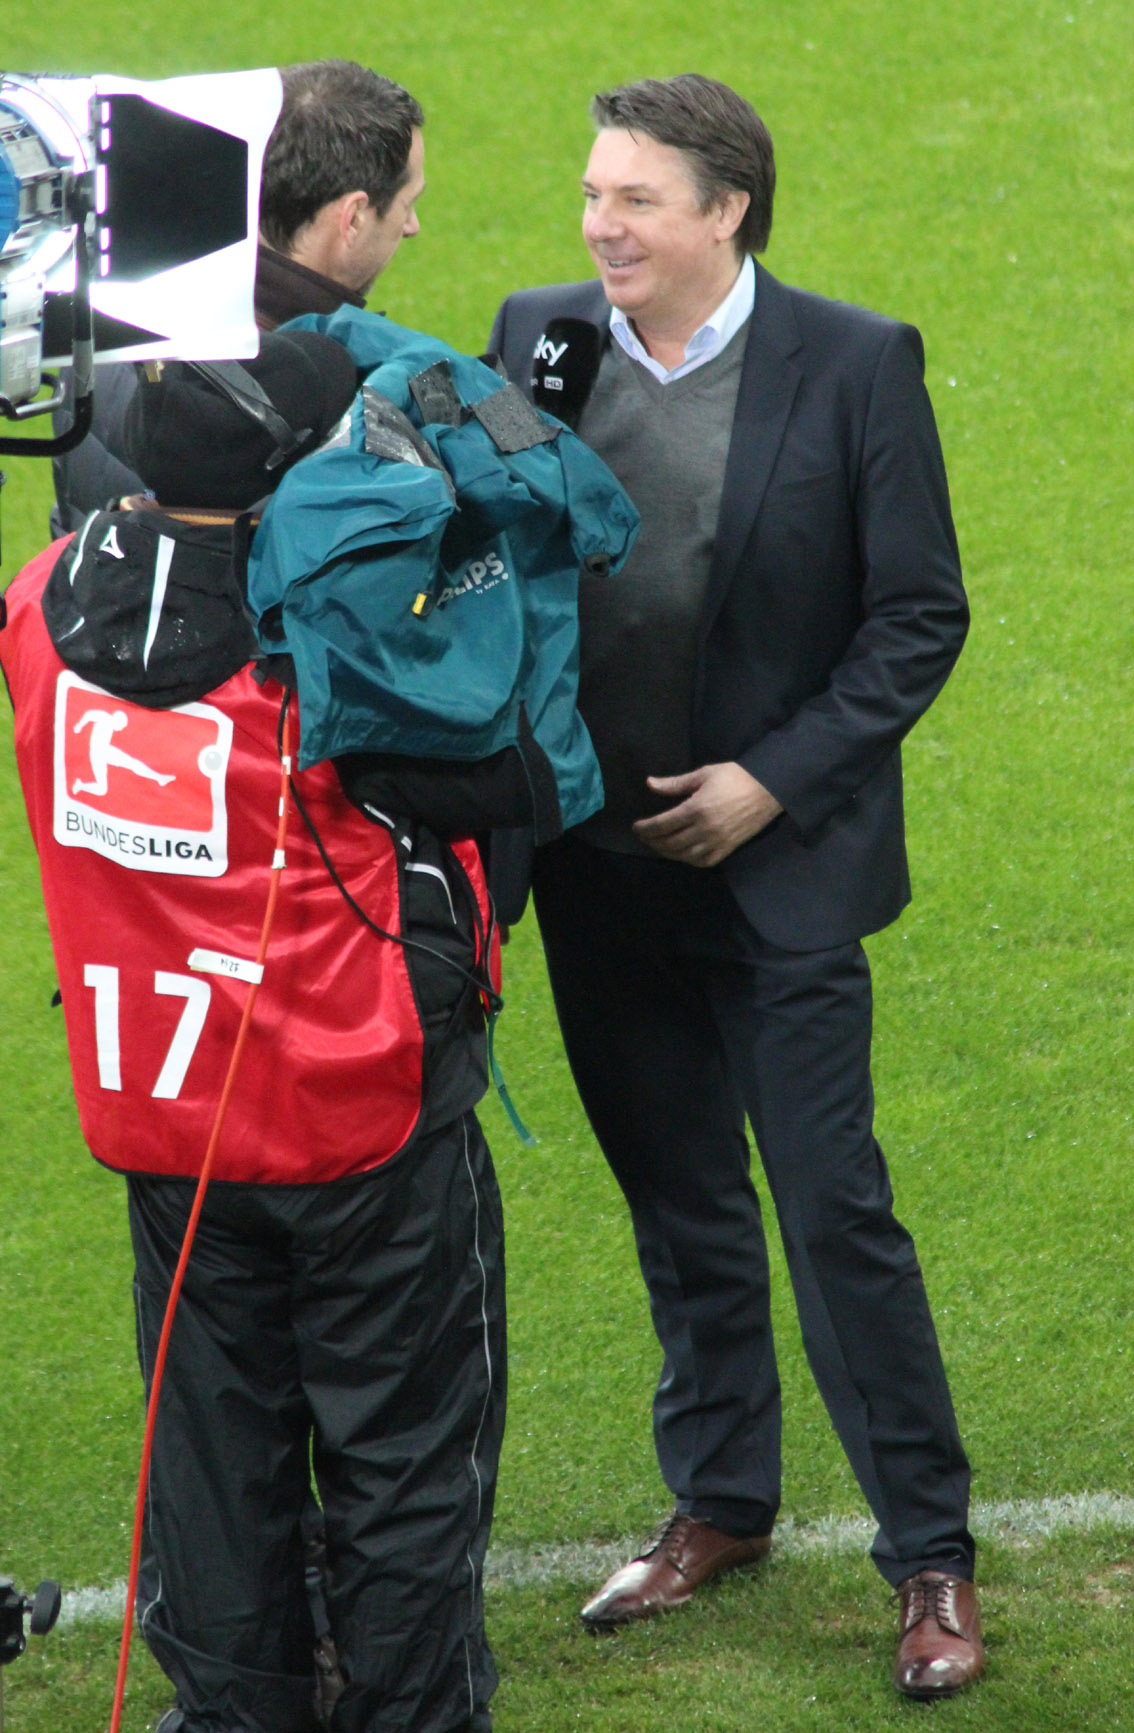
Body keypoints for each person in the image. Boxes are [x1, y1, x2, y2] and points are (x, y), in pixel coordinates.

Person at [487, 73, 983, 1699]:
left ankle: (926, 1552)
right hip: (600, 867)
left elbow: (913, 616)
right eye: (590, 193)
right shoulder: (538, 339)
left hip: (777, 867)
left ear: (724, 212)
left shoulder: (851, 363)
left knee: (832, 1208)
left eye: (632, 199)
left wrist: (767, 778)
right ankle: (721, 1500)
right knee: (682, 1204)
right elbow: (493, 566)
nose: (596, 224)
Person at [2, 329, 504, 1733]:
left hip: (167, 1124)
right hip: (357, 1117)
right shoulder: (331, 644)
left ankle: (235, 1717)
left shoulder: (41, 609)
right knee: (403, 1460)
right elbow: (497, 755)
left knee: (213, 1455)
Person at [51, 58, 426, 535]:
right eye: (407, 204)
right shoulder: (348, 401)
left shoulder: (95, 336)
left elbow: (70, 546)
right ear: (352, 218)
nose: (411, 227)